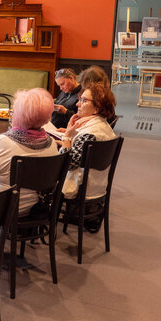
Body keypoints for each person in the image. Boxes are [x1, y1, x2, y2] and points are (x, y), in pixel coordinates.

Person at [0, 88, 59, 216]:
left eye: (14, 111)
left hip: (3, 206)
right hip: (35, 206)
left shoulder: (3, 142)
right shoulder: (52, 144)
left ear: (20, 115)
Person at [58, 80, 117, 233]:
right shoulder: (103, 126)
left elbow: (66, 164)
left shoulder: (89, 135)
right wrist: (68, 136)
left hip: (79, 187)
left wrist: (67, 136)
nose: (77, 104)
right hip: (97, 185)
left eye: (84, 100)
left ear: (97, 108)